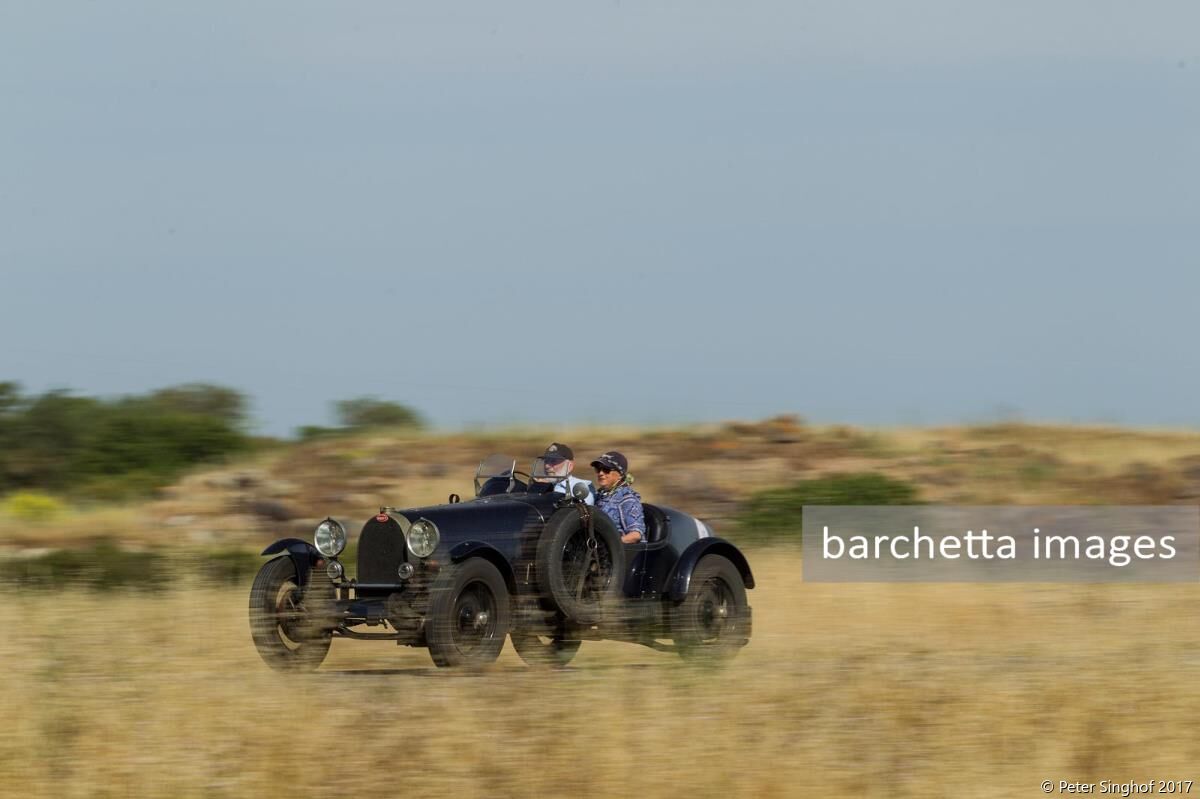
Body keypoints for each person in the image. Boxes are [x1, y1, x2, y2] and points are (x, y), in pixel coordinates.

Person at [590, 451, 645, 544]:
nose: (601, 473)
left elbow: (636, 535)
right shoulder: (598, 496)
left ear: (620, 474)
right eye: (598, 469)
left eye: (606, 469)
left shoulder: (628, 500)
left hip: (621, 554)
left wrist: (609, 545)